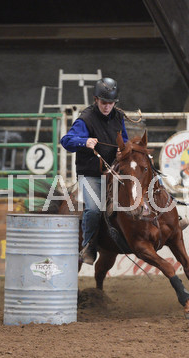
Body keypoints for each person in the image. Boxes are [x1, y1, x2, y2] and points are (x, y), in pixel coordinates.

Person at [60, 77, 129, 265]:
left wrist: (123, 149)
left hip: (114, 171)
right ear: (96, 99)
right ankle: (88, 246)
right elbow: (66, 140)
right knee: (92, 209)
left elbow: (124, 139)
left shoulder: (118, 117)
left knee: (145, 178)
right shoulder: (86, 119)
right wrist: (84, 142)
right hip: (91, 174)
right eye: (104, 102)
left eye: (111, 103)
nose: (107, 106)